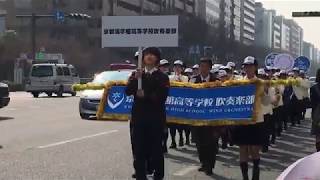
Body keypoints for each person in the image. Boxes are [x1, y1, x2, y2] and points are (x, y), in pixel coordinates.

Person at [126, 47, 169, 180]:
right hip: (139, 118)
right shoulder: (136, 74)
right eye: (146, 55)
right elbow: (127, 91)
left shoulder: (162, 76)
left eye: (152, 55)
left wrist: (146, 95)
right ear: (142, 59)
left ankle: (158, 175)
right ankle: (140, 175)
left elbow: (162, 96)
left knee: (156, 149)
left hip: (155, 118)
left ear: (157, 59)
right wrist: (135, 79)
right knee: (138, 149)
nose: (149, 57)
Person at [233, 56, 271, 180]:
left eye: (250, 66)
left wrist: (266, 91)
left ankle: (256, 174)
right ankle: (245, 177)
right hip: (242, 120)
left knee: (254, 149)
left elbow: (266, 102)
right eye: (246, 66)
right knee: (243, 149)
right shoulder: (238, 83)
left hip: (256, 120)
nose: (248, 68)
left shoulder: (261, 83)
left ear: (255, 67)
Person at [190, 57, 220, 176]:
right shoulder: (193, 80)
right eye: (201, 66)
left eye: (206, 66)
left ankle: (210, 166)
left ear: (210, 68)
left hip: (211, 118)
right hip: (197, 118)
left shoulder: (216, 81)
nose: (203, 69)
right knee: (199, 142)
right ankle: (203, 162)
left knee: (211, 143)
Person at [168, 60, 189, 148]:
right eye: (176, 67)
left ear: (182, 69)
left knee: (182, 124)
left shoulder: (185, 78)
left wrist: (179, 79)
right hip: (172, 103)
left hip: (182, 103)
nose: (177, 68)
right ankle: (173, 141)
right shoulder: (169, 77)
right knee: (172, 124)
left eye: (179, 67)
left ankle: (182, 137)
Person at [311, 69, 320, 152]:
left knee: (318, 134)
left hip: (317, 114)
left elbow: (312, 103)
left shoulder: (313, 88)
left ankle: (318, 152)